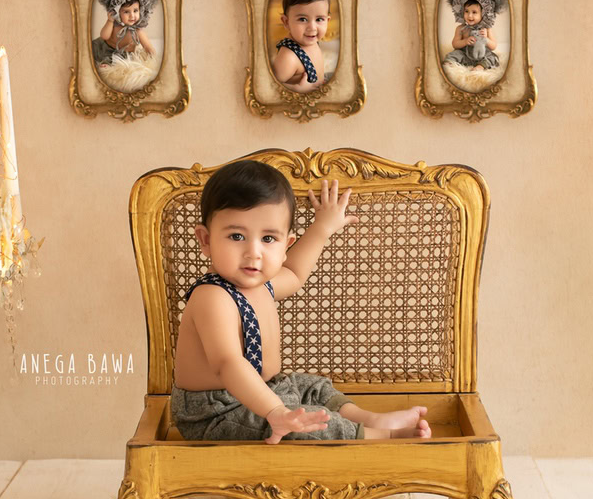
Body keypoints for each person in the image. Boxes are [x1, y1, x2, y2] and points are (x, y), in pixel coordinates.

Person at [171, 160, 431, 444]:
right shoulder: (213, 297)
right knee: (305, 425)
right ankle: (383, 434)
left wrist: (322, 228)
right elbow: (228, 363)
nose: (253, 252)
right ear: (205, 240)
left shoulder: (261, 283)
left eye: (268, 238)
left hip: (265, 392)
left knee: (314, 388)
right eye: (237, 236)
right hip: (218, 412)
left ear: (286, 245)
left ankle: (368, 417)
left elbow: (294, 273)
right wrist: (276, 411)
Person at [271, 0, 330, 93]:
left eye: (319, 19)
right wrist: (296, 89)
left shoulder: (311, 40)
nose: (312, 28)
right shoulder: (289, 57)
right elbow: (271, 87)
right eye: (302, 19)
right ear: (286, 22)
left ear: (328, 20)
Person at [442, 0, 509, 71]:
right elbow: (455, 44)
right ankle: (449, 64)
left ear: (483, 13)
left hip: (482, 55)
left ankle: (480, 66)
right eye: (466, 11)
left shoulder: (487, 28)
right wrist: (465, 41)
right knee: (454, 54)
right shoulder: (461, 28)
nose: (469, 16)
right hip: (465, 55)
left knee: (492, 57)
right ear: (462, 11)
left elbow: (493, 46)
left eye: (474, 12)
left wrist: (486, 39)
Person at [93, 0, 158, 66]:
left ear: (141, 10)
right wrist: (109, 21)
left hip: (121, 55)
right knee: (91, 48)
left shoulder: (138, 31)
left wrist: (155, 59)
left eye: (135, 11)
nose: (132, 16)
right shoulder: (115, 23)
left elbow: (148, 48)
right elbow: (104, 36)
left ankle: (106, 65)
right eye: (126, 12)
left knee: (119, 63)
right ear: (118, 11)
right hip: (104, 47)